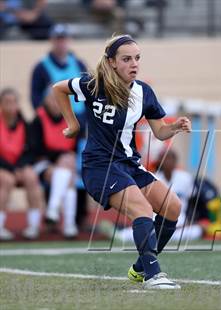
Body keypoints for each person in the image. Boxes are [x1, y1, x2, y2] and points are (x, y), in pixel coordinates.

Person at [52, 34, 191, 289]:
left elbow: (160, 131)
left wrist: (176, 127)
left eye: (137, 58)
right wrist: (72, 124)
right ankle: (153, 274)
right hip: (99, 166)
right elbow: (58, 88)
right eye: (126, 59)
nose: (134, 64)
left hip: (128, 164)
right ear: (112, 62)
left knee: (173, 207)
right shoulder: (94, 84)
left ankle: (140, 268)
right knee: (142, 209)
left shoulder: (143, 92)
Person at [32, 90, 79, 238]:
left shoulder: (71, 119)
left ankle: (53, 210)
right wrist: (59, 156)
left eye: (59, 99)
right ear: (45, 101)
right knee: (67, 172)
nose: (56, 103)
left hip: (63, 166)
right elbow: (36, 150)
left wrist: (62, 158)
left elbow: (74, 149)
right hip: (42, 164)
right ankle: (69, 225)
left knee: (67, 172)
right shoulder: (38, 119)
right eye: (52, 99)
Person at [0, 88, 45, 240]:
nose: (11, 106)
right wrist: (12, 169)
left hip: (18, 166)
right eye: (7, 102)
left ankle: (33, 226)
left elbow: (31, 151)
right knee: (7, 180)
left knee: (31, 177)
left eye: (14, 102)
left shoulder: (25, 124)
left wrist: (20, 167)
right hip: (4, 167)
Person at [31, 24, 87, 131]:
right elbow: (36, 96)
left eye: (64, 39)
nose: (61, 44)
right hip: (57, 122)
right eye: (58, 40)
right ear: (51, 40)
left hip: (81, 119)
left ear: (69, 40)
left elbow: (88, 90)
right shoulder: (41, 67)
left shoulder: (79, 64)